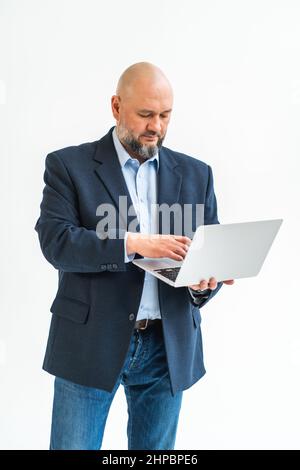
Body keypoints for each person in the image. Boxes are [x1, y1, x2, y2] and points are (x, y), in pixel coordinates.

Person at [35, 62, 234, 450]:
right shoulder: (68, 166)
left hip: (167, 347)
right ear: (116, 107)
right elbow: (57, 241)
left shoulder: (197, 174)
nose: (155, 126)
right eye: (145, 114)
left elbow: (206, 254)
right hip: (90, 340)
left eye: (164, 115)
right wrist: (136, 243)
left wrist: (202, 285)